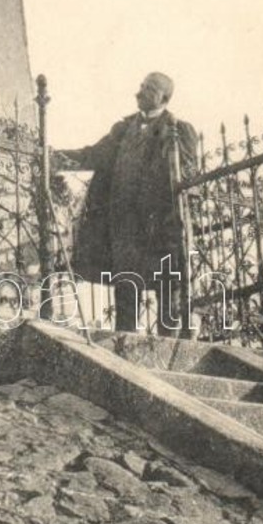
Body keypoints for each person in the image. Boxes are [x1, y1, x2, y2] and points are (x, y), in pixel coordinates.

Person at [57, 72, 197, 335]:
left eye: (148, 88)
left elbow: (186, 177)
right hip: (125, 226)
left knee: (166, 288)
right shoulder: (123, 129)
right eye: (141, 86)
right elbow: (93, 155)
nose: (139, 92)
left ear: (163, 97)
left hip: (161, 226)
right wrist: (57, 157)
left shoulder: (178, 130)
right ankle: (125, 342)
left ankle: (168, 345)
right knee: (126, 286)